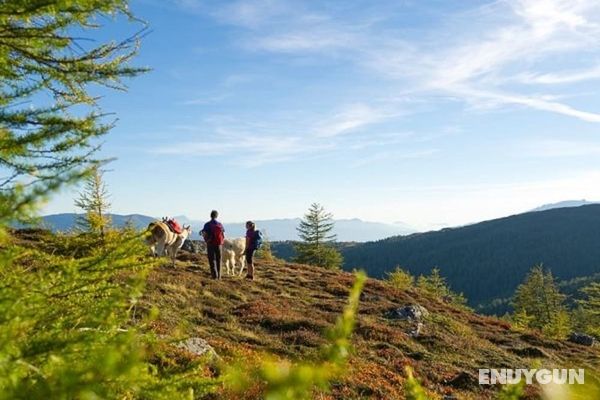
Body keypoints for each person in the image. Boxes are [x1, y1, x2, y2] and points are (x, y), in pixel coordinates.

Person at [201, 210, 225, 279]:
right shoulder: (220, 224)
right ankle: (219, 276)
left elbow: (204, 233)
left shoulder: (207, 224)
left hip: (210, 244)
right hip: (219, 244)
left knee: (212, 260)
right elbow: (223, 234)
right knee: (219, 259)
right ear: (217, 216)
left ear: (210, 216)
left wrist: (206, 240)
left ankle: (214, 276)